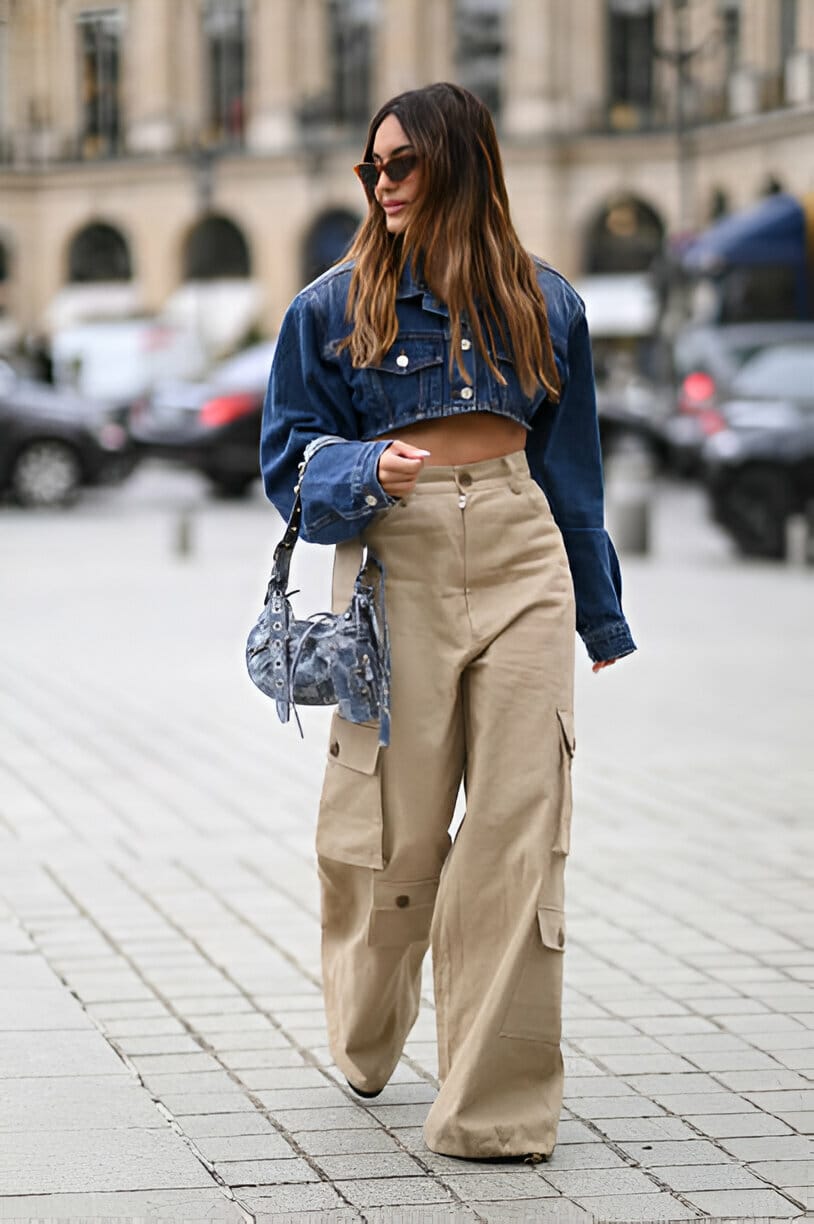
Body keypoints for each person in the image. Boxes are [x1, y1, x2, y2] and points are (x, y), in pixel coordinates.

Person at [260, 82, 635, 1162]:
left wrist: (598, 619)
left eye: (401, 166)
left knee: (521, 829)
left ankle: (492, 1108)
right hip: (396, 557)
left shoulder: (546, 302)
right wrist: (359, 469)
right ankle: (370, 1018)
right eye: (370, 169)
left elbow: (573, 478)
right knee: (391, 832)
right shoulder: (329, 308)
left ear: (460, 165)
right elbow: (285, 461)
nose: (381, 186)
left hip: (521, 551)